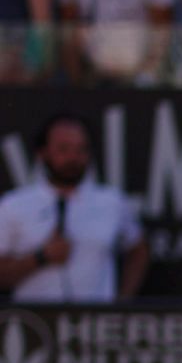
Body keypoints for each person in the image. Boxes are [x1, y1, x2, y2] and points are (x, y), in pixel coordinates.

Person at [0, 112, 148, 303]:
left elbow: (138, 249)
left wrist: (122, 302)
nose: (73, 157)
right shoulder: (13, 205)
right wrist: (40, 258)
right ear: (42, 153)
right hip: (37, 323)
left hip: (96, 323)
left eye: (81, 149)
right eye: (63, 149)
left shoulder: (111, 202)